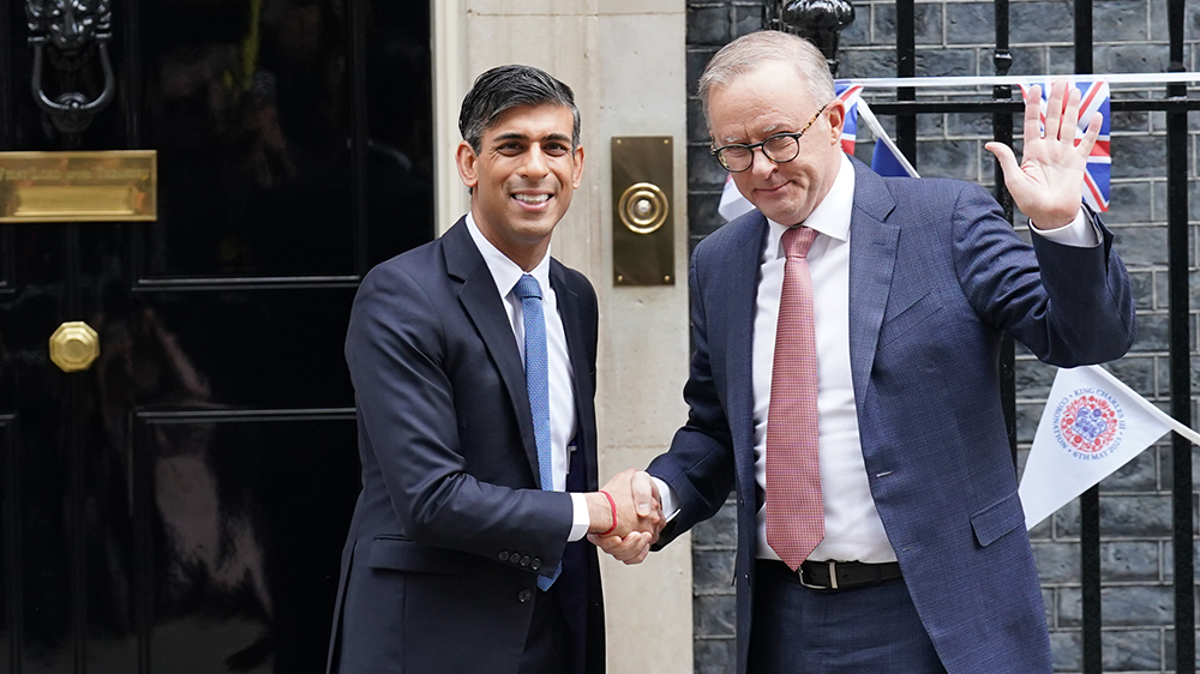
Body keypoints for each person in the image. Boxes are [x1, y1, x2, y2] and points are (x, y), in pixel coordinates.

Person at [595, 31, 1136, 674]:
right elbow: (716, 429)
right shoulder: (721, 261)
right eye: (735, 151)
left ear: (832, 119)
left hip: (938, 614)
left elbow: (1086, 340)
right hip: (783, 619)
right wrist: (661, 495)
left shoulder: (947, 221)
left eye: (777, 139)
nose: (760, 168)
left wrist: (1059, 226)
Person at [326, 64, 660, 674]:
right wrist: (596, 513)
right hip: (431, 635)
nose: (536, 168)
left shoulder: (575, 297)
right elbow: (431, 498)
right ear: (469, 163)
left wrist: (615, 523)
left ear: (578, 166)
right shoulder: (400, 295)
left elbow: (556, 462)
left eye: (554, 147)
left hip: (555, 630)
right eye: (511, 146)